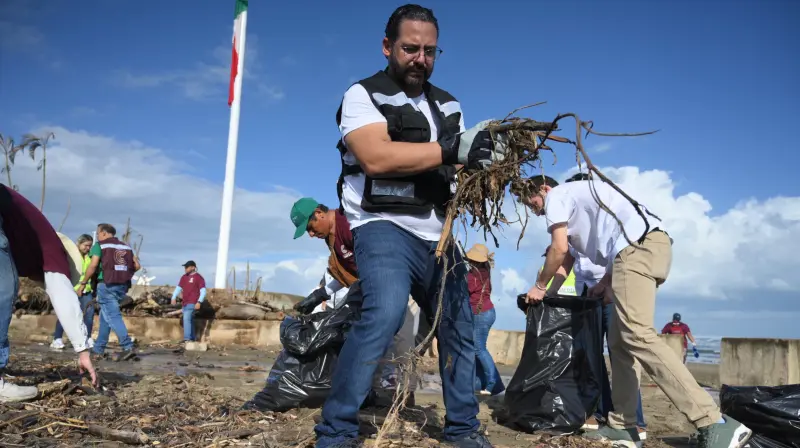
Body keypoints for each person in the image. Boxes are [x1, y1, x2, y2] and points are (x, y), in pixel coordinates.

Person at [315, 4, 509, 446]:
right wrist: (452, 151)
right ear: (388, 47)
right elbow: (376, 157)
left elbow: (462, 164)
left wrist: (486, 166)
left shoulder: (448, 104)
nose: (420, 58)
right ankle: (336, 428)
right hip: (381, 224)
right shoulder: (363, 95)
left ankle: (463, 429)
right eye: (409, 48)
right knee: (383, 314)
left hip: (437, 235)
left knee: (459, 324)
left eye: (429, 51)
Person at [514, 175, 751, 448]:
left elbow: (559, 249)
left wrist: (540, 285)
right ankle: (623, 426)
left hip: (636, 249)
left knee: (638, 335)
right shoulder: (582, 198)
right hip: (643, 249)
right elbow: (579, 253)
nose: (534, 209)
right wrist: (602, 284)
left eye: (531, 202)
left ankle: (712, 420)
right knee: (620, 341)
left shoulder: (557, 195)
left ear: (543, 188)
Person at [542, 173, 649, 439]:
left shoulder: (607, 223)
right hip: (587, 296)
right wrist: (547, 292)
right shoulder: (571, 232)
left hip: (611, 294)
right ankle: (601, 413)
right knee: (590, 358)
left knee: (621, 356)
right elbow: (565, 263)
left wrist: (607, 286)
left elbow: (617, 256)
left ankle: (635, 421)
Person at [290, 197, 420, 405]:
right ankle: (375, 392)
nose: (311, 234)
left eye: (310, 228)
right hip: (371, 284)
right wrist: (321, 294)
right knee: (368, 336)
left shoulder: (350, 221)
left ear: (319, 213)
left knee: (400, 338)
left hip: (397, 280)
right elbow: (345, 274)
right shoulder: (331, 239)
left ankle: (405, 394)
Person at [0, 185, 98, 402]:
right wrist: (82, 350)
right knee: (4, 288)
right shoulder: (53, 249)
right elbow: (64, 298)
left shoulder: (26, 234)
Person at [79, 223, 139, 362]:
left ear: (104, 233)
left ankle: (127, 346)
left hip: (106, 284)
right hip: (122, 286)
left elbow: (93, 266)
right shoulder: (125, 246)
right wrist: (124, 274)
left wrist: (83, 283)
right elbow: (137, 265)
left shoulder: (100, 246)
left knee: (113, 315)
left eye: (98, 233)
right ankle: (99, 349)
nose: (98, 236)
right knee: (105, 316)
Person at [465, 243, 504, 397]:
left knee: (478, 349)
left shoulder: (474, 275)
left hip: (481, 314)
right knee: (477, 349)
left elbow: (465, 290)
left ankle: (491, 383)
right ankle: (483, 385)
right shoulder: (484, 271)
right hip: (486, 312)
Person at [50, 233, 96, 351]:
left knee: (89, 314)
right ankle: (57, 338)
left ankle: (88, 338)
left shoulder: (89, 257)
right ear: (79, 244)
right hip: (72, 289)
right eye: (86, 245)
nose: (88, 248)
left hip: (86, 290)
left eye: (90, 246)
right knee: (66, 314)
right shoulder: (71, 256)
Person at [170, 260, 207, 344]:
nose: (185, 269)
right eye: (185, 267)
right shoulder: (184, 277)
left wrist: (199, 302)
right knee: (190, 320)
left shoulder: (198, 277)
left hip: (193, 302)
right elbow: (178, 288)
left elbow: (203, 291)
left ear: (193, 267)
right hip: (185, 303)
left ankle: (187, 339)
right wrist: (173, 297)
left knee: (186, 319)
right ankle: (192, 338)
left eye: (187, 267)